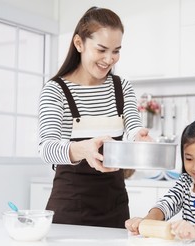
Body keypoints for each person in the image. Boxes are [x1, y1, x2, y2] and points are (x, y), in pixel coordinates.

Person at [38, 7, 151, 228]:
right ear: (79, 44)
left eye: (116, 50)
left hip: (115, 206)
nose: (109, 59)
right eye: (101, 50)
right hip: (69, 207)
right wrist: (83, 149)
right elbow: (46, 148)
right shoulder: (56, 90)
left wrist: (140, 137)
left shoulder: (122, 87)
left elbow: (133, 127)